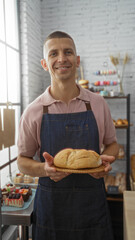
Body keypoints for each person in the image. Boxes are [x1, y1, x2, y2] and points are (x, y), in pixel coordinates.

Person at [17, 31, 119, 240]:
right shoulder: (33, 111)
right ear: (45, 64)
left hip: (92, 211)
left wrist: (105, 163)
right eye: (53, 54)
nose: (62, 58)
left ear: (77, 60)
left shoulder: (98, 104)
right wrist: (45, 170)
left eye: (68, 52)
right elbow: (22, 161)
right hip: (51, 214)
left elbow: (112, 144)